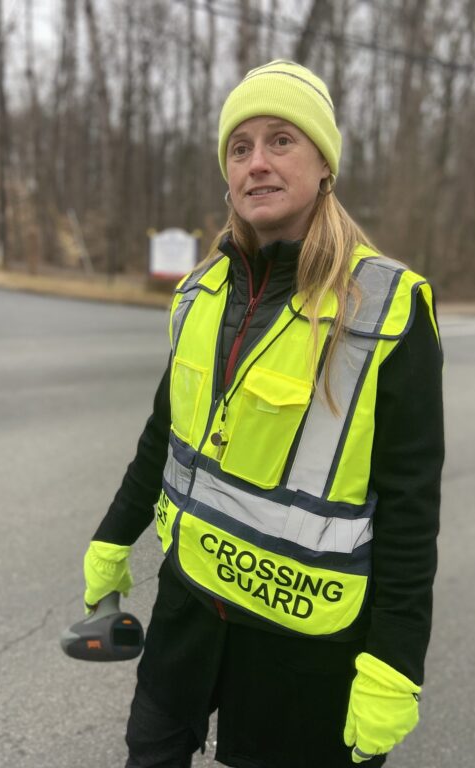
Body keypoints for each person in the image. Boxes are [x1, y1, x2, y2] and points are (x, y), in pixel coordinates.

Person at [81, 60, 444, 768]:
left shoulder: (388, 307)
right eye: (240, 148)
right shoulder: (198, 293)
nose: (257, 163)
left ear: (323, 164)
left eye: (281, 140)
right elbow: (166, 436)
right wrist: (112, 538)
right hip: (188, 612)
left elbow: (410, 506)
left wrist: (395, 663)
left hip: (303, 648)